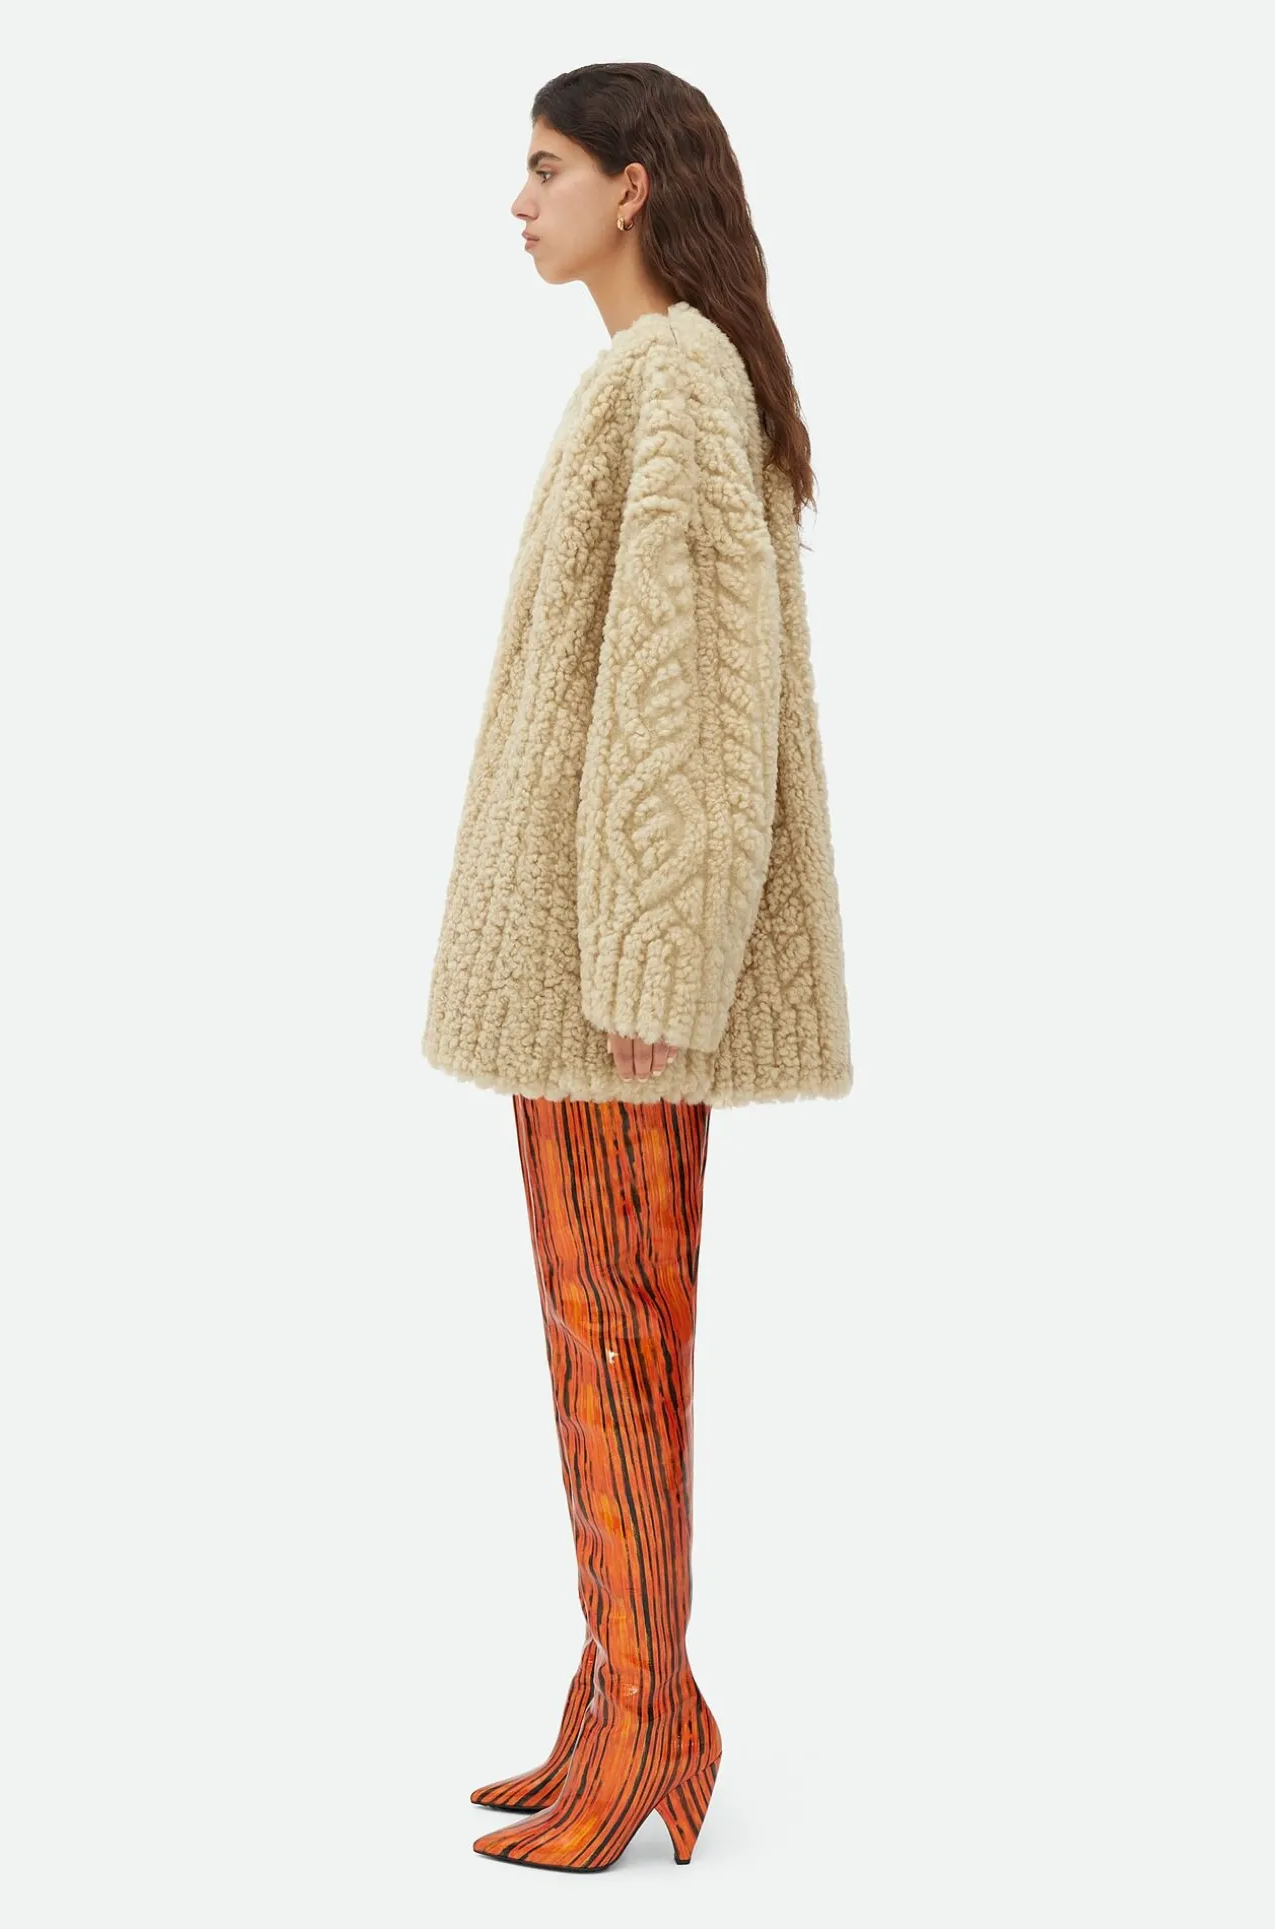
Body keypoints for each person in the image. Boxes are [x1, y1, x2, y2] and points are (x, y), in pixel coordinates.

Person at [420, 61, 853, 1872]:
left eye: (545, 169)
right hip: (599, 969)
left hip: (613, 983)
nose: (518, 204)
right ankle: (625, 1694)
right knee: (614, 1332)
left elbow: (685, 706)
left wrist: (655, 969)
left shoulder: (669, 377)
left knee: (611, 1330)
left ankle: (647, 1716)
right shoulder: (667, 374)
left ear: (634, 185)